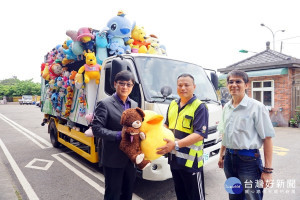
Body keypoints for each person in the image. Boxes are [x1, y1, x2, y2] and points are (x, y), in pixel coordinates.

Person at [217, 70, 275, 200]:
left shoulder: (257, 107)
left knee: (252, 197)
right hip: (229, 160)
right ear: (227, 85)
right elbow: (225, 133)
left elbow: (267, 138)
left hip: (248, 161)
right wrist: (222, 154)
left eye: (238, 81)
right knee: (234, 195)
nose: (234, 85)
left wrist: (267, 170)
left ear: (246, 85)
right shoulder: (227, 107)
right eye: (231, 82)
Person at [157, 73, 208, 200]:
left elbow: (199, 134)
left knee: (195, 197)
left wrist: (175, 144)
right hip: (174, 159)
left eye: (187, 85)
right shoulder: (173, 104)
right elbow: (167, 125)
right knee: (181, 194)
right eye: (180, 85)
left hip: (191, 163)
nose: (183, 88)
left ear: (194, 87)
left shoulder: (200, 107)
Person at [92, 70, 137, 200]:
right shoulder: (104, 104)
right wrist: (119, 135)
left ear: (132, 87)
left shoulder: (134, 104)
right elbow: (97, 129)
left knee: (127, 193)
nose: (125, 87)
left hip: (130, 158)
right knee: (113, 194)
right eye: (121, 83)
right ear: (115, 84)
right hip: (113, 158)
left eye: (128, 84)